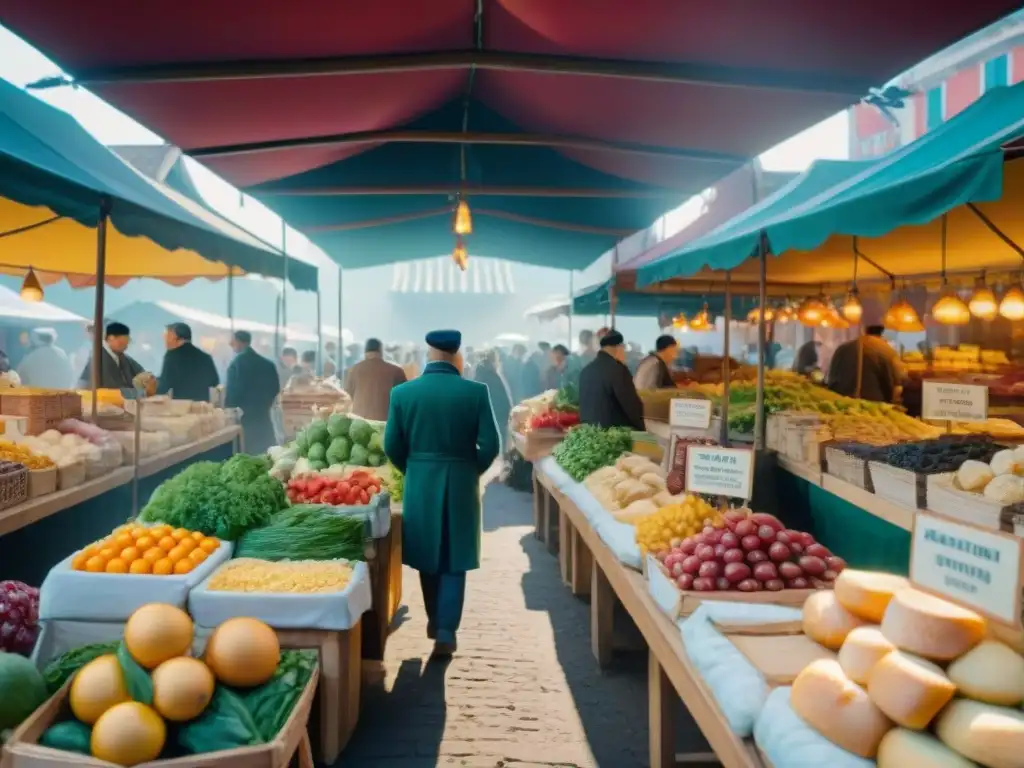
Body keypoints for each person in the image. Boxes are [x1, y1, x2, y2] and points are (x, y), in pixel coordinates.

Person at [384, 330, 500, 656]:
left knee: (426, 555)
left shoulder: (403, 393)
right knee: (455, 555)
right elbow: (491, 444)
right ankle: (447, 629)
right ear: (456, 355)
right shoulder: (476, 392)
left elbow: (391, 444)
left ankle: (435, 618)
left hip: (420, 480)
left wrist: (414, 469)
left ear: (429, 354)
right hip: (461, 481)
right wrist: (469, 468)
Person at [224, 331, 280, 453]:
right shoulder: (267, 364)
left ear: (240, 342)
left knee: (249, 456)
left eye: (233, 341)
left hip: (245, 420)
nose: (230, 344)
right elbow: (275, 388)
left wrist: (228, 410)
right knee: (268, 454)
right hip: (264, 417)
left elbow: (233, 393)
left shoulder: (236, 364)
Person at [579, 330, 646, 430]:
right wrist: (642, 428)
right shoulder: (618, 370)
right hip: (615, 435)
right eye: (623, 348)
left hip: (590, 434)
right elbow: (631, 406)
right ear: (619, 347)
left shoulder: (585, 371)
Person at [827, 325, 905, 403]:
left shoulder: (843, 348)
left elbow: (831, 380)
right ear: (883, 331)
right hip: (874, 407)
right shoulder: (888, 351)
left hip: (841, 405)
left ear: (865, 329)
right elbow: (898, 384)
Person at [343, 338, 407, 421]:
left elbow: (347, 397)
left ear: (365, 352)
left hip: (359, 424)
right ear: (381, 351)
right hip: (386, 425)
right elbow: (406, 399)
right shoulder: (396, 371)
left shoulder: (353, 370)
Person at [157, 323, 219, 402]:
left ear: (175, 337)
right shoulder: (205, 357)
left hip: (182, 408)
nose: (165, 339)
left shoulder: (172, 356)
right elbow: (214, 381)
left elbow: (163, 387)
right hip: (203, 407)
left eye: (167, 336)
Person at [79, 322, 146, 389]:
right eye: (121, 343)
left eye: (127, 343)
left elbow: (142, 374)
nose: (126, 347)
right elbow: (113, 387)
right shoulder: (99, 359)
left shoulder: (124, 358)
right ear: (110, 338)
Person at [473, 349, 514, 452]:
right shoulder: (490, 374)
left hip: (491, 411)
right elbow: (498, 395)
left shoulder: (483, 372)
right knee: (501, 435)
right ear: (493, 360)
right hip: (497, 411)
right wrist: (507, 409)